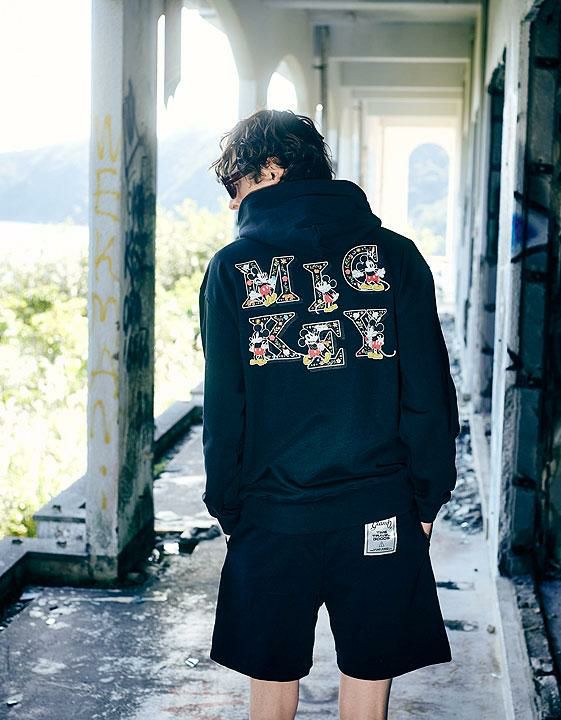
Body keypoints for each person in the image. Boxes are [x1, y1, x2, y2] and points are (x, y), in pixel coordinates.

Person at [199, 108, 460, 720]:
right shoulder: (397, 257)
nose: (233, 201)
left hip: (272, 513)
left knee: (271, 682)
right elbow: (428, 393)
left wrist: (228, 506)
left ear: (271, 168)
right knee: (369, 684)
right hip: (378, 508)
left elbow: (225, 406)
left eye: (236, 182)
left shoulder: (231, 268)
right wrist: (426, 500)